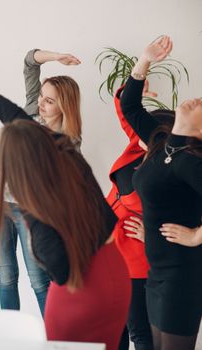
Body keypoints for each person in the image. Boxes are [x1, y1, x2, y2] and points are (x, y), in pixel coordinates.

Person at [0, 48, 130, 350]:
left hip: (80, 295)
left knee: (40, 284)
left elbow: (60, 269)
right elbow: (13, 114)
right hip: (115, 275)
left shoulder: (42, 218)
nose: (41, 105)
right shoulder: (60, 149)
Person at [0, 48, 82, 314]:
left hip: (30, 212)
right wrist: (56, 57)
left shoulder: (68, 143)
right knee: (7, 276)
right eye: (42, 97)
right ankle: (10, 338)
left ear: (64, 106)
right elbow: (29, 62)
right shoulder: (31, 110)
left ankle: (54, 341)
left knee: (39, 281)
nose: (42, 104)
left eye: (50, 101)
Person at [120, 35, 202, 350]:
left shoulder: (190, 163)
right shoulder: (160, 143)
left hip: (183, 277)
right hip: (157, 273)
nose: (197, 101)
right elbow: (130, 105)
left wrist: (196, 236)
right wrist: (145, 59)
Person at [107, 83, 174, 350]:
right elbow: (125, 112)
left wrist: (154, 236)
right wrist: (133, 91)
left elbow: (179, 218)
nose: (138, 133)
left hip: (135, 257)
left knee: (139, 332)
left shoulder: (169, 172)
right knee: (114, 328)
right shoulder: (138, 146)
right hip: (111, 250)